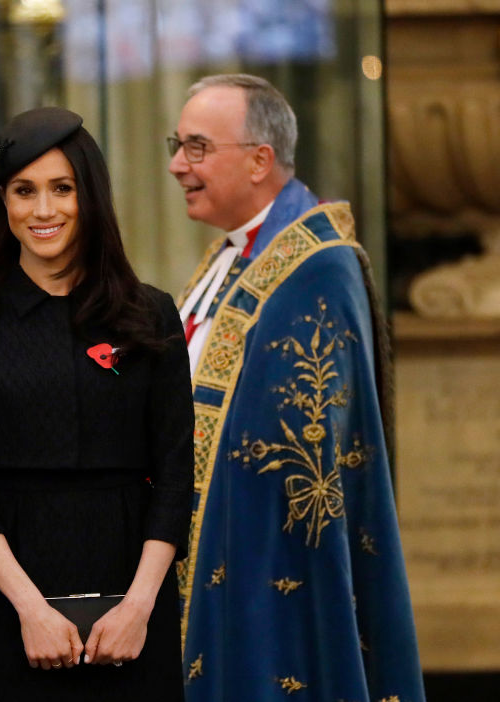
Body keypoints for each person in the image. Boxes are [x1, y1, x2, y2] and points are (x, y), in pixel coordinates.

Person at [169, 74, 425, 702]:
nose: (178, 164)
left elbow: (295, 462)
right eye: (177, 144)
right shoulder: (229, 255)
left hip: (269, 569)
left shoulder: (316, 269)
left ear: (260, 161)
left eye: (198, 147)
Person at [0, 106, 194, 701]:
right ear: (3, 202)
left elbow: (177, 475)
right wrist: (29, 608)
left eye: (62, 189)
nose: (43, 211)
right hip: (5, 590)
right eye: (24, 191)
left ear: (90, 196)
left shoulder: (150, 315)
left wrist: (138, 606)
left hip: (133, 587)